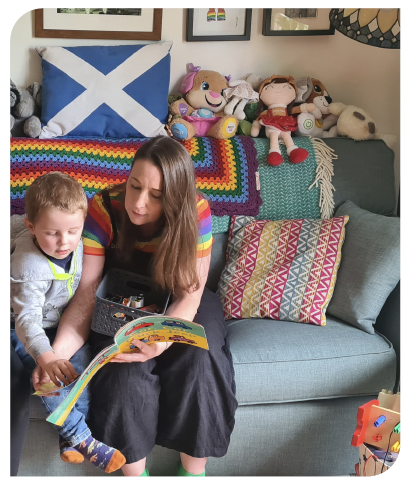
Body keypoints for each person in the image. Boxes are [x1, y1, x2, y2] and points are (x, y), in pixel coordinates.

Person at [43, 136, 238, 477]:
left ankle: (193, 474)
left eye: (157, 196)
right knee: (122, 370)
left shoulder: (196, 211)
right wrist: (55, 354)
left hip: (181, 295)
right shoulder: (105, 208)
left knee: (200, 357)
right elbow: (89, 292)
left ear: (176, 197)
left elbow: (191, 292)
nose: (138, 203)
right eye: (134, 186)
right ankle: (137, 477)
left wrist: (162, 338)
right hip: (121, 296)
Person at [10, 172, 126, 474]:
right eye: (52, 234)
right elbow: (26, 320)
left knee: (79, 368)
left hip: (59, 324)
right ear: (31, 226)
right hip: (21, 329)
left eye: (73, 231)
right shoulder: (29, 265)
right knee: (48, 378)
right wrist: (45, 357)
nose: (64, 243)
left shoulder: (81, 244)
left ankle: (70, 439)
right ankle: (82, 438)